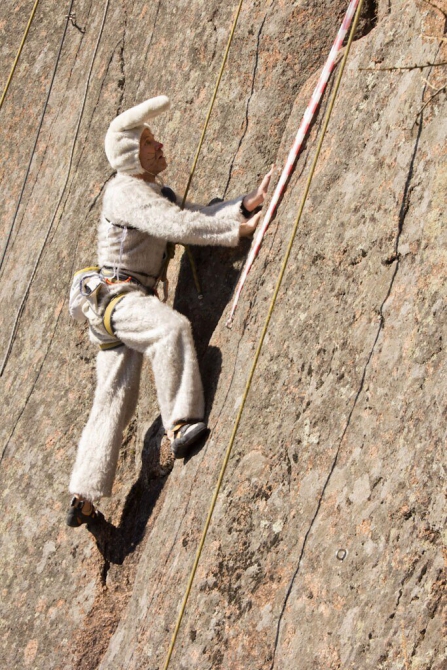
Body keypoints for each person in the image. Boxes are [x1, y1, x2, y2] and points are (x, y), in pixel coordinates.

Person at [67, 95, 272, 527]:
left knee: (112, 399)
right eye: (148, 142)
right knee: (170, 329)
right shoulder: (124, 192)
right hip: (120, 300)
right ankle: (180, 425)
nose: (159, 146)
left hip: (114, 304)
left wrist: (243, 205)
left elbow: (191, 213)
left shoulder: (149, 192)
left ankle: (83, 495)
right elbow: (177, 226)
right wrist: (238, 232)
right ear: (129, 155)